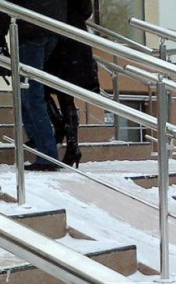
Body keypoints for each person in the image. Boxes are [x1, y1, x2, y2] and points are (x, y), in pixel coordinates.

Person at [0, 0, 67, 171]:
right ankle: (36, 137)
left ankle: (47, 154)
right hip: (51, 27)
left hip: (31, 29)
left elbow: (5, 2)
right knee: (26, 89)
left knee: (31, 93)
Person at [43, 0, 99, 168]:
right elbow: (86, 10)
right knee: (64, 95)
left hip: (62, 39)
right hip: (73, 37)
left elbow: (84, 10)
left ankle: (63, 130)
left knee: (42, 87)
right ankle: (72, 145)